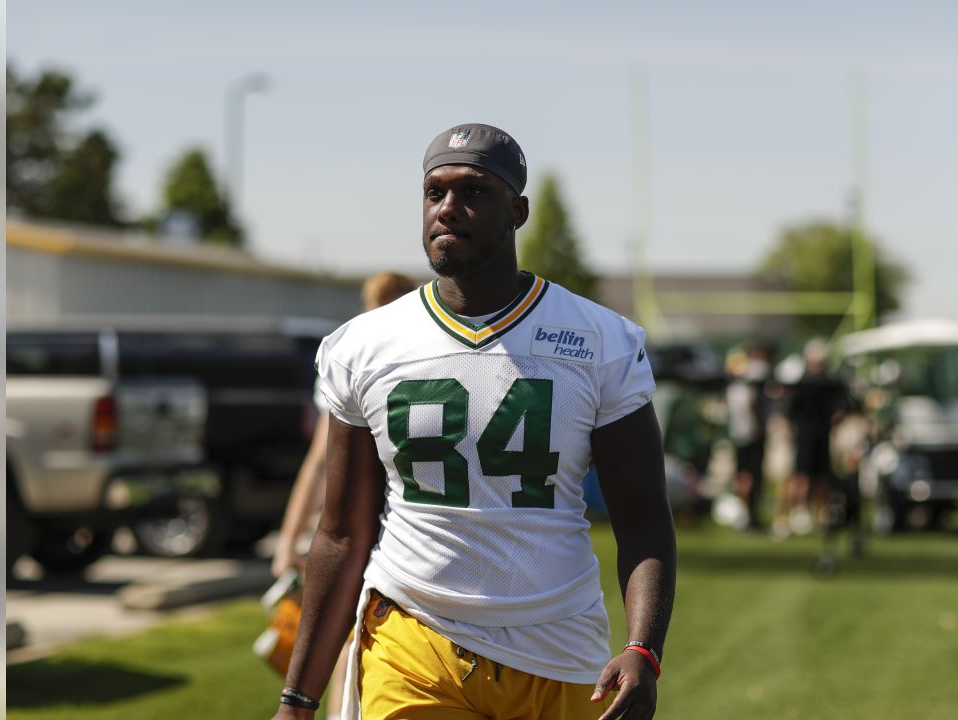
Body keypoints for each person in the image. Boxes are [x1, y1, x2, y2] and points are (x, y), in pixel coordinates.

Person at [271, 124, 676, 720]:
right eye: (435, 193)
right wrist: (298, 699)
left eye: (474, 193)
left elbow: (642, 517)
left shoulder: (600, 340)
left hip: (557, 646)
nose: (448, 210)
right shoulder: (363, 345)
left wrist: (644, 647)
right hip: (413, 636)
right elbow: (342, 532)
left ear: (518, 211)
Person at [270, 271, 417, 720]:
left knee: (359, 641)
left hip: (390, 528)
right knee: (343, 643)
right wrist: (290, 536)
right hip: (351, 522)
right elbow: (319, 461)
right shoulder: (352, 359)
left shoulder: (416, 359)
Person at [773, 338, 847, 539]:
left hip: (822, 436)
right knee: (798, 478)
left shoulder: (831, 384)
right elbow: (787, 410)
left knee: (822, 479)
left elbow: (841, 407)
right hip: (802, 436)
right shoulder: (801, 383)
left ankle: (819, 518)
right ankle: (787, 516)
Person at [723, 344, 774, 530]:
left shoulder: (734, 385)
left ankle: (745, 514)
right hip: (749, 433)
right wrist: (758, 425)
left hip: (739, 432)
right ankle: (747, 514)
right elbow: (752, 402)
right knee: (749, 475)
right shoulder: (749, 379)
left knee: (743, 475)